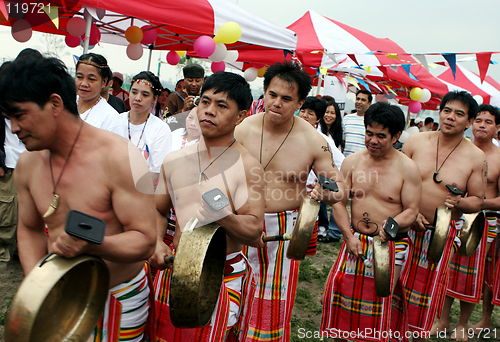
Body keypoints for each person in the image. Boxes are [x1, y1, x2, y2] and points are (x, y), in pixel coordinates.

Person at [0, 55, 156, 341]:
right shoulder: (27, 164)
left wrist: (96, 244)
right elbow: (29, 228)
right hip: (60, 298)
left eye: (19, 115)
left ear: (56, 104)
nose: (13, 128)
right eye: (7, 118)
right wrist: (40, 286)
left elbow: (145, 240)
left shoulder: (122, 157)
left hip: (119, 297)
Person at [234, 61, 349, 341]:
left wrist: (326, 191)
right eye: (272, 95)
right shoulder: (243, 129)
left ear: (299, 102)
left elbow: (337, 186)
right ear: (264, 93)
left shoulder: (313, 140)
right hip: (237, 222)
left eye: (287, 99)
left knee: (270, 305)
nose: (277, 103)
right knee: (230, 292)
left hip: (282, 230)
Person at [151, 71, 265, 342]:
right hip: (174, 266)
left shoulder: (248, 167)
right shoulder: (174, 160)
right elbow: (158, 209)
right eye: (205, 102)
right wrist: (157, 242)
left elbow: (253, 230)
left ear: (241, 116)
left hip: (222, 274)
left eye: (221, 105)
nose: (209, 111)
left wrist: (225, 217)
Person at [321, 102, 422, 341]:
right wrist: (348, 236)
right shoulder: (352, 162)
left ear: (397, 136)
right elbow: (339, 201)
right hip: (355, 241)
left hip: (391, 245)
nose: (372, 140)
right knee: (341, 299)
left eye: (381, 136)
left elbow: (410, 211)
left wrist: (388, 231)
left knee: (380, 302)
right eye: (369, 133)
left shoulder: (408, 168)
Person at [401, 91, 486, 341]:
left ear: (469, 122)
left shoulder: (475, 157)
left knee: (422, 297)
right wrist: (410, 212)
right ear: (439, 112)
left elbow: (477, 200)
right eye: (447, 110)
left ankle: (413, 335)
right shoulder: (416, 142)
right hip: (401, 226)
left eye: (459, 114)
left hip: (437, 236)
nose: (450, 117)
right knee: (386, 286)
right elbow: (393, 179)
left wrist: (460, 202)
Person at [434, 104, 500, 341]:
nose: (482, 125)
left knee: (472, 275)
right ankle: (442, 320)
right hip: (452, 219)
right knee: (447, 271)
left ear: (497, 128)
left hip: (483, 222)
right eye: (479, 121)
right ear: (472, 123)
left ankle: (462, 324)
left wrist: (477, 202)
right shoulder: (459, 150)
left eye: (488, 122)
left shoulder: (499, 157)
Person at [298, 97, 345, 243]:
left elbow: (341, 164)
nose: (305, 115)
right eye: (303, 111)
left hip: (309, 197)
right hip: (287, 194)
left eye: (310, 113)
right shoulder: (288, 135)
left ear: (318, 118)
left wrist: (323, 183)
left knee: (299, 244)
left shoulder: (323, 141)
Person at [118, 71, 172, 181]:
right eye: (134, 92)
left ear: (154, 99)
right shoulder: (116, 120)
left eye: (145, 95)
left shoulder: (160, 129)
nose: (137, 98)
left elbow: (155, 173)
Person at [76, 53, 127, 138]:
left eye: (91, 79)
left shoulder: (111, 119)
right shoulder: (64, 104)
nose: (84, 84)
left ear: (104, 82)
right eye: (79, 77)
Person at [164, 64, 205, 130]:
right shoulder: (174, 97)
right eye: (190, 80)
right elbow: (165, 122)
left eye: (197, 81)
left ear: (203, 80)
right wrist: (183, 111)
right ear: (185, 79)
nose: (194, 84)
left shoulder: (205, 98)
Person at [342, 89, 372, 156]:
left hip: (363, 162)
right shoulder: (346, 119)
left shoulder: (371, 122)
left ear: (369, 104)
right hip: (346, 160)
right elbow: (342, 142)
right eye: (358, 99)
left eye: (363, 100)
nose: (359, 102)